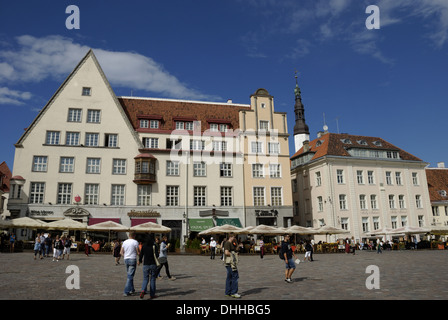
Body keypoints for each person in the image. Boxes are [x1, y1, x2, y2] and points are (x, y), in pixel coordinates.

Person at [138, 235, 159, 299]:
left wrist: (139, 261)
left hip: (146, 264)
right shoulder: (154, 246)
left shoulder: (144, 246)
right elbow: (157, 255)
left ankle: (143, 290)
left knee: (145, 278)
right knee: (152, 279)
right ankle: (152, 294)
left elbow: (141, 254)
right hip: (153, 264)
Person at [121, 231, 140, 296]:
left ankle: (132, 289)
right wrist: (140, 258)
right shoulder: (135, 242)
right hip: (132, 259)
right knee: (130, 276)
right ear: (134, 235)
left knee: (129, 275)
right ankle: (126, 291)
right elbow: (138, 252)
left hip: (126, 259)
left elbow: (121, 252)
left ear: (129, 235)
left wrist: (125, 256)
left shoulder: (125, 242)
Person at [224, 233, 240, 298]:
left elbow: (236, 249)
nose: (234, 238)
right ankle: (234, 292)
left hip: (229, 262)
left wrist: (237, 243)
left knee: (229, 277)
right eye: (233, 237)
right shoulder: (227, 243)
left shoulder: (232, 243)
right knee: (235, 276)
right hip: (230, 263)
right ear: (230, 237)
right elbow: (226, 252)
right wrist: (233, 255)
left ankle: (228, 292)